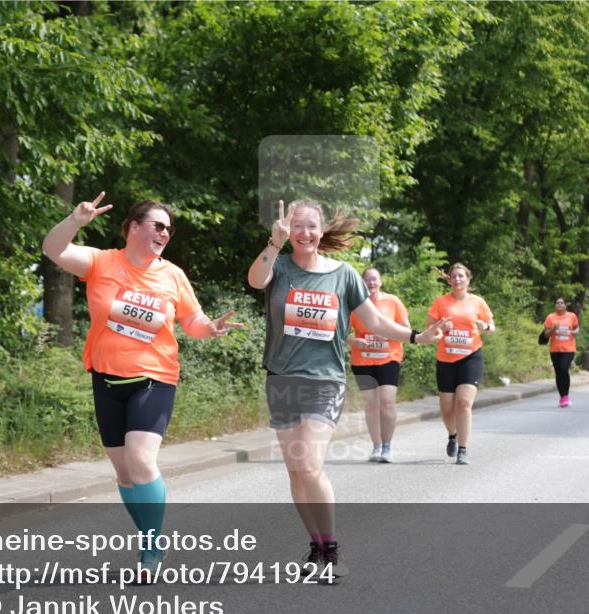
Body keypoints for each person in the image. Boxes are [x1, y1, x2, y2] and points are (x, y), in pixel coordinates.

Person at [43, 193, 241, 577]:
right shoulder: (102, 262)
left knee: (141, 460)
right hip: (106, 377)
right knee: (123, 473)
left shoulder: (173, 275)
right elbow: (54, 249)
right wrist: (74, 220)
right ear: (133, 228)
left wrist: (211, 328)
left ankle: (151, 547)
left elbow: (193, 321)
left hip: (155, 376)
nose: (165, 233)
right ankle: (152, 538)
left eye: (169, 229)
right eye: (157, 225)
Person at [247, 199, 444, 572]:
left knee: (310, 465)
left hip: (325, 381)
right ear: (289, 230)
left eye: (311, 227)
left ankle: (333, 549)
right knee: (295, 471)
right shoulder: (281, 266)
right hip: (282, 380)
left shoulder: (344, 274)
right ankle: (316, 546)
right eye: (297, 226)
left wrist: (416, 336)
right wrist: (273, 244)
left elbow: (374, 321)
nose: (304, 233)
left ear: (322, 232)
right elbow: (255, 281)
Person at [427, 263, 495, 465]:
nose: (457, 279)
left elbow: (491, 327)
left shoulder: (478, 302)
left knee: (464, 404)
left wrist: (485, 326)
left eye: (461, 276)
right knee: (447, 408)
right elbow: (429, 329)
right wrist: (441, 327)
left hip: (471, 356)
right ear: (449, 280)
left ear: (468, 279)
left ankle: (463, 450)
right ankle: (452, 435)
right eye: (453, 276)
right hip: (446, 359)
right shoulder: (441, 302)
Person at [347, 268, 410, 463]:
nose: (371, 283)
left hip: (389, 358)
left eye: (374, 279)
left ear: (381, 282)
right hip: (363, 359)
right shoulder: (355, 304)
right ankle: (376, 446)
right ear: (362, 283)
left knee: (387, 401)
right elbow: (341, 331)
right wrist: (354, 342)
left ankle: (387, 447)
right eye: (367, 280)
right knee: (371, 404)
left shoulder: (393, 302)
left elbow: (406, 329)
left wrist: (389, 333)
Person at [543, 298, 580, 407]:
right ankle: (562, 397)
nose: (559, 304)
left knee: (564, 369)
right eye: (557, 303)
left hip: (569, 349)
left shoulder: (571, 316)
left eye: (561, 303)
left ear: (565, 305)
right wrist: (553, 329)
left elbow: (577, 328)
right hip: (555, 349)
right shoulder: (550, 317)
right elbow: (546, 334)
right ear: (555, 305)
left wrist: (574, 332)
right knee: (558, 372)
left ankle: (566, 395)